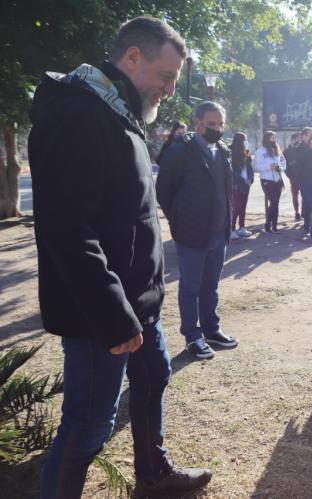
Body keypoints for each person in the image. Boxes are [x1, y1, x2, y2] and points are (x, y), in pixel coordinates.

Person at [28, 16, 212, 498]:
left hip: (137, 303)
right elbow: (68, 229)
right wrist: (114, 315)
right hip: (101, 315)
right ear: (132, 57)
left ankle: (153, 475)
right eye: (166, 76)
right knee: (89, 426)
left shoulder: (118, 111)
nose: (170, 90)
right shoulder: (80, 114)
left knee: (154, 377)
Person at [156, 100, 239, 360]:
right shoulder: (180, 152)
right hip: (192, 235)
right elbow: (164, 192)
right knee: (190, 287)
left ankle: (212, 330)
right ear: (198, 123)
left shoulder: (223, 150)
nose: (217, 128)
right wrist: (179, 221)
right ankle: (192, 336)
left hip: (219, 233)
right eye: (211, 124)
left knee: (211, 286)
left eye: (220, 124)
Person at [254, 130, 287, 233]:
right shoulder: (260, 151)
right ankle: (268, 224)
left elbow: (284, 164)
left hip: (278, 180)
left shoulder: (278, 150)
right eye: (272, 138)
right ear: (267, 139)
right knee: (273, 202)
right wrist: (269, 167)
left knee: (276, 202)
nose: (274, 140)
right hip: (267, 180)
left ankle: (274, 225)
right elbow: (256, 167)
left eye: (275, 138)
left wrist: (279, 168)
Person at [230, 132, 253, 239]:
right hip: (236, 184)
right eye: (245, 139)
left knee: (243, 207)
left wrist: (250, 179)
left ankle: (242, 227)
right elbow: (232, 171)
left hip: (246, 184)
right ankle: (231, 229)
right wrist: (242, 180)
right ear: (240, 140)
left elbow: (249, 167)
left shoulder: (246, 151)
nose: (246, 141)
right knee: (236, 207)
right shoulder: (231, 151)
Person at [284, 132, 302, 221]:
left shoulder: (301, 149)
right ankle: (296, 212)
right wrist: (290, 176)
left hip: (304, 177)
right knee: (295, 196)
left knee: (305, 196)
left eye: (299, 139)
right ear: (291, 140)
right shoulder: (285, 152)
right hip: (293, 178)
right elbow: (283, 166)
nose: (298, 141)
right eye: (296, 139)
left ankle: (304, 212)